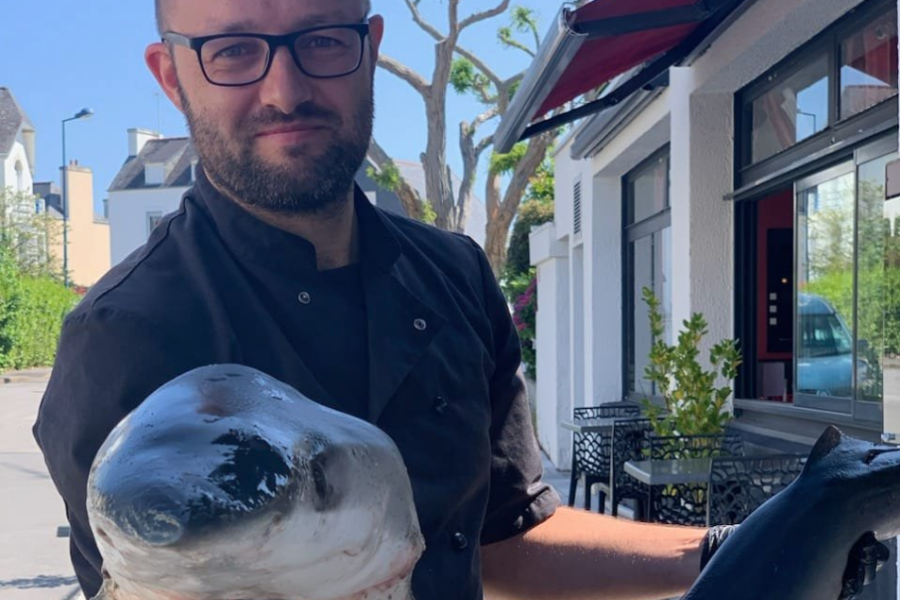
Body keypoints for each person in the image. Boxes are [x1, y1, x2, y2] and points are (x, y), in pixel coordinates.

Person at [31, 1, 881, 599]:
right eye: (234, 50)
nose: (284, 90)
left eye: (321, 41)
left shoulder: (455, 276)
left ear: (368, 44)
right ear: (171, 74)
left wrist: (729, 548)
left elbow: (507, 546)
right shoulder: (121, 336)